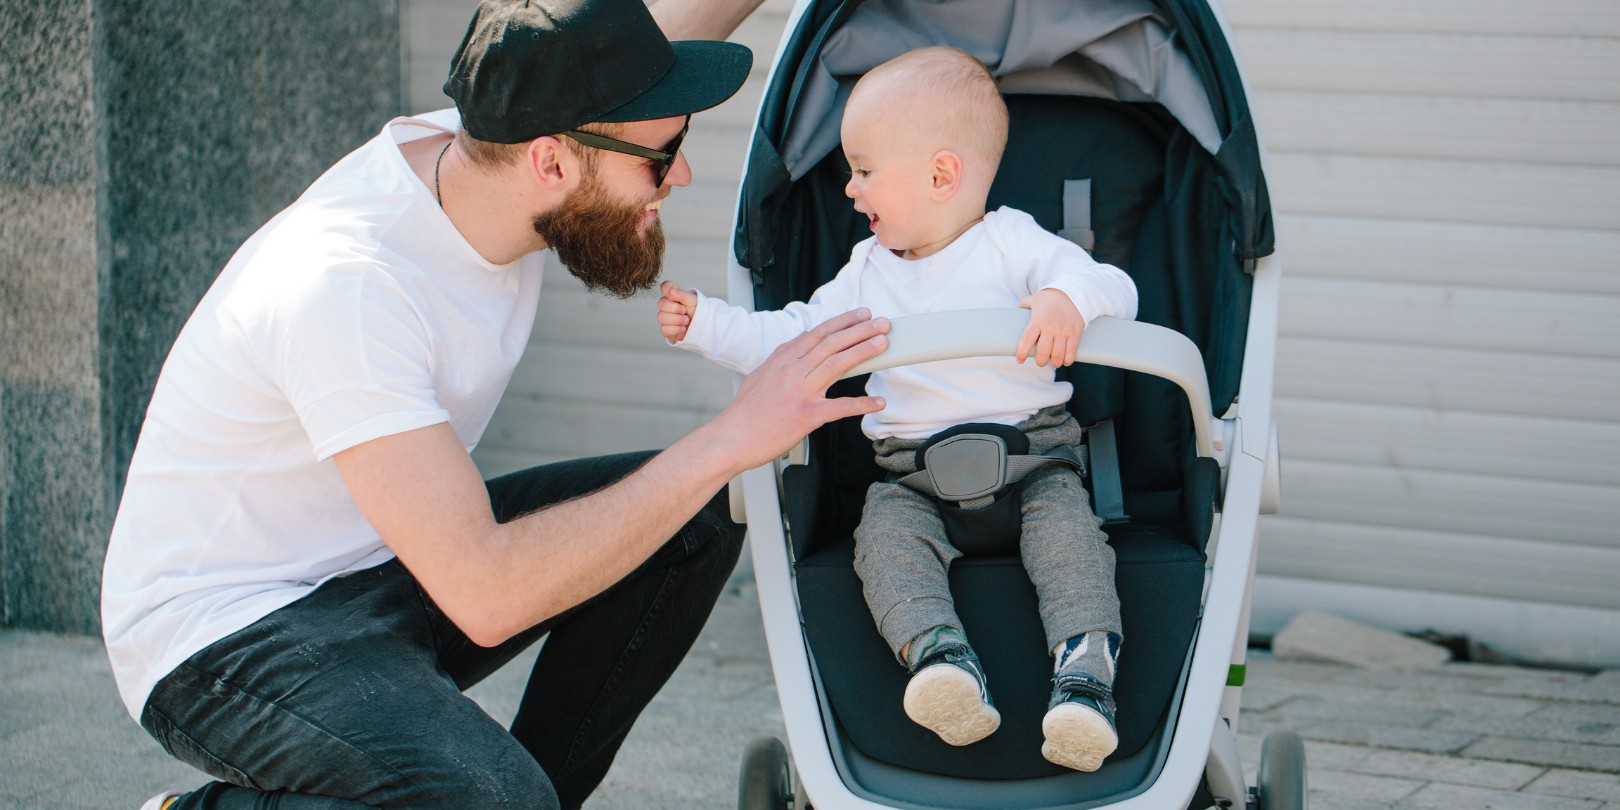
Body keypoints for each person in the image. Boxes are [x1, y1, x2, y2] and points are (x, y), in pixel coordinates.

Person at [102, 1, 894, 808]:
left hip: (383, 560)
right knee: (497, 796)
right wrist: (734, 434)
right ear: (551, 163)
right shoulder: (349, 289)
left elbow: (655, 29)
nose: (681, 176)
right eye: (663, 157)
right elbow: (486, 597)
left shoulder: (507, 131)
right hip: (223, 636)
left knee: (693, 520)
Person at [657, 46, 1138, 772]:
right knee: (881, 542)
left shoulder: (1015, 245)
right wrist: (708, 325)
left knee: (1071, 543)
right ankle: (941, 662)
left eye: (864, 170)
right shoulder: (865, 276)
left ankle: (1083, 678)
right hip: (911, 477)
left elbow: (1109, 287)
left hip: (1034, 459)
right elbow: (791, 339)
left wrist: (1067, 301)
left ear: (942, 174)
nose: (848, 189)